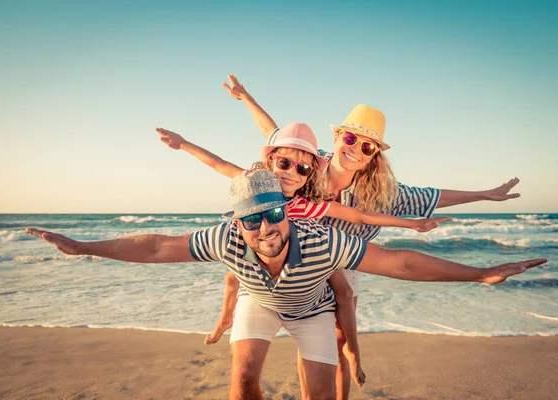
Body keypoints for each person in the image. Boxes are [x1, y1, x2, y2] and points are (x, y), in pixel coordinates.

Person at [26, 170, 545, 400]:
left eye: (273, 213)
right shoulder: (229, 237)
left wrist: (480, 273)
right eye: (251, 220)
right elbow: (158, 245)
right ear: (238, 222)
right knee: (243, 381)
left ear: (287, 211)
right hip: (260, 303)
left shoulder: (322, 242)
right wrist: (84, 246)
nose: (264, 228)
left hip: (313, 310)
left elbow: (401, 264)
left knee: (320, 394)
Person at [221, 74, 523, 399]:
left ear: (373, 156)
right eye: (350, 138)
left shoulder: (383, 194)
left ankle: (347, 367)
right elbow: (274, 132)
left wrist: (486, 195)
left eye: (367, 147)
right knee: (306, 343)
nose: (355, 149)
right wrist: (246, 98)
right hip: (298, 254)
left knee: (336, 345)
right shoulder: (307, 165)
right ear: (337, 136)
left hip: (343, 262)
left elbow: (433, 197)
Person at [157, 122, 452, 386]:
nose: (291, 172)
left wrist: (412, 223)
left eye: (301, 168)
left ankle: (353, 351)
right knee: (233, 279)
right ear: (271, 160)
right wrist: (183, 144)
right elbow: (220, 164)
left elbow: (360, 217)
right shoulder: (256, 183)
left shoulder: (307, 204)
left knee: (344, 293)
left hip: (309, 255)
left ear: (309, 172)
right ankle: (224, 321)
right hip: (262, 251)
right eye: (284, 163)